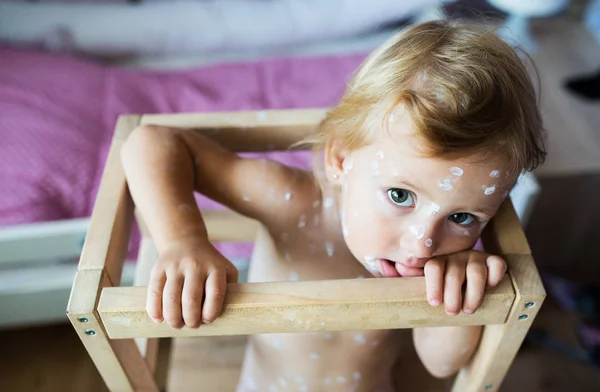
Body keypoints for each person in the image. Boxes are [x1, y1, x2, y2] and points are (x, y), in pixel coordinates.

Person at [121, 20, 547, 392]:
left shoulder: (439, 262)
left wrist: (463, 294)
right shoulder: (291, 201)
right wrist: (183, 241)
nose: (423, 242)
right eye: (400, 196)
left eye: (461, 217)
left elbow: (440, 362)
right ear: (340, 159)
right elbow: (152, 142)